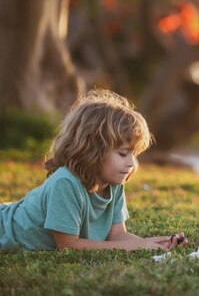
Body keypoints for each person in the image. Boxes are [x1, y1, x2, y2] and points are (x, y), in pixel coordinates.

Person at [0, 89, 188, 252]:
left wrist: (153, 243)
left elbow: (117, 235)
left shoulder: (114, 183)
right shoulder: (65, 183)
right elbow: (67, 245)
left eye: (135, 154)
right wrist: (135, 246)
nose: (131, 162)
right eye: (123, 153)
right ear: (93, 150)